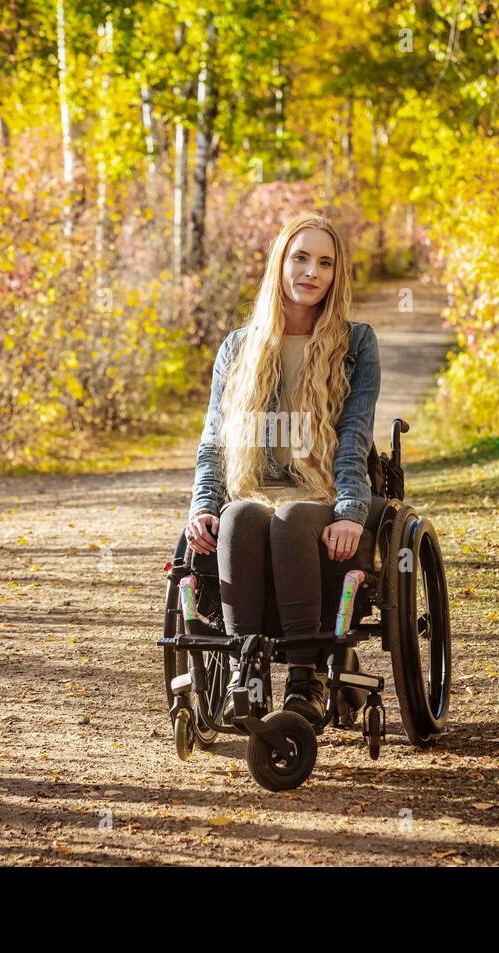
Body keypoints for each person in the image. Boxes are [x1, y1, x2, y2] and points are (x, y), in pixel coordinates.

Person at [184, 212, 381, 724]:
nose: (311, 272)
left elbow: (355, 437)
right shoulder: (237, 348)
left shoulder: (356, 344)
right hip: (252, 492)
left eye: (324, 262)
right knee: (239, 518)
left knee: (292, 516)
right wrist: (203, 506)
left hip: (319, 498)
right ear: (280, 264)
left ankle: (304, 680)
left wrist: (349, 511)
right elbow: (214, 446)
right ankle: (243, 675)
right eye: (300, 257)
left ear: (337, 275)